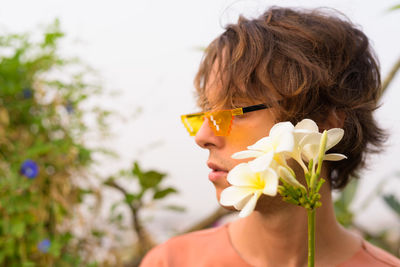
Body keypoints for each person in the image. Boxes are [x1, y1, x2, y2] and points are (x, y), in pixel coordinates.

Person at [140, 6, 400, 267]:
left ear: (324, 121)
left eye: (236, 110)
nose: (203, 136)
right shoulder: (171, 261)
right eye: (206, 113)